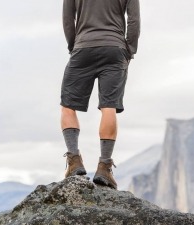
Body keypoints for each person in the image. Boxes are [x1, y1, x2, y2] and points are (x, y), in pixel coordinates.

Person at [60, 0, 140, 190]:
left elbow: (67, 19)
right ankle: (104, 167)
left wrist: (74, 46)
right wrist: (130, 50)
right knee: (109, 106)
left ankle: (74, 162)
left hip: (83, 47)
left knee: (68, 106)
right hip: (115, 48)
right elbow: (134, 21)